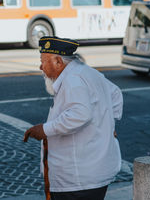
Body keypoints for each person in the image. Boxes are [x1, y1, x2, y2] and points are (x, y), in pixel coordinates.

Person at [23, 36, 123, 200]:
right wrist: (108, 126)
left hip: (78, 181)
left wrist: (45, 130)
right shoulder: (86, 72)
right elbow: (116, 94)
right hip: (93, 174)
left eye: (43, 61)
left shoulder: (72, 80)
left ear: (58, 62)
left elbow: (80, 114)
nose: (40, 66)